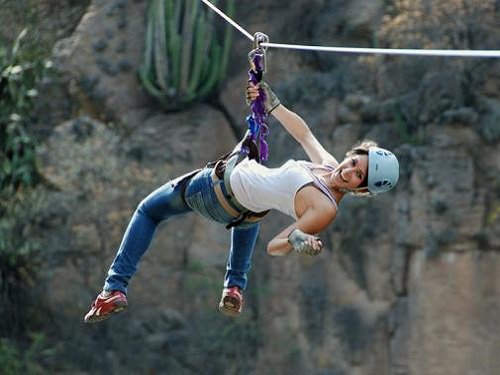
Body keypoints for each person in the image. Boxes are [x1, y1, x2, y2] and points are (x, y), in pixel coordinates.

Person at [83, 81, 399, 322]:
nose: (351, 171)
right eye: (356, 162)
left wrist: (297, 240)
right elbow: (305, 135)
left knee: (148, 211)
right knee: (254, 207)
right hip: (239, 209)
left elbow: (275, 246)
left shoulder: (326, 208)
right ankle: (234, 287)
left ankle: (114, 288)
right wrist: (272, 105)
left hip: (214, 189)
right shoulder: (328, 166)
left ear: (360, 190)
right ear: (352, 154)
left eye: (360, 176)